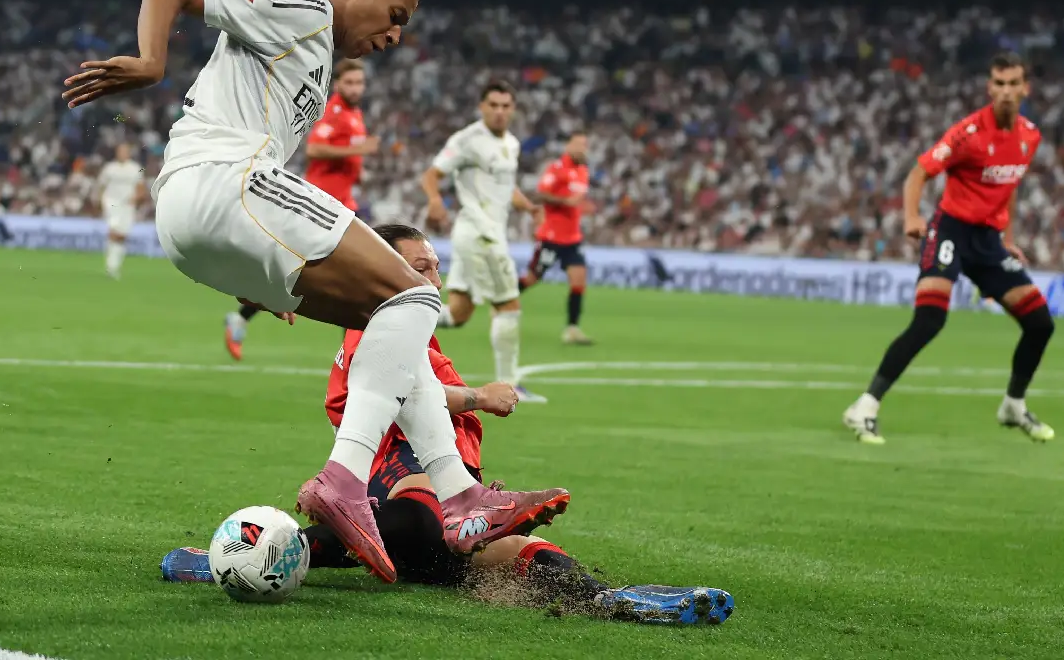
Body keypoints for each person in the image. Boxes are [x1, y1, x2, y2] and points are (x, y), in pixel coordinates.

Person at [61, 0, 565, 585]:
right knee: (414, 295)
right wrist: (152, 62)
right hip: (220, 180)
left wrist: (264, 262)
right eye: (395, 14)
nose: (394, 35)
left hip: (203, 217)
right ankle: (347, 481)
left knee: (391, 315)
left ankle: (460, 499)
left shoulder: (317, 60)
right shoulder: (302, 7)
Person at [160, 224, 735, 627]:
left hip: (428, 520)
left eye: (435, 262)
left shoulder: (412, 332)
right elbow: (413, 387)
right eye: (419, 265)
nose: (434, 271)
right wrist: (480, 396)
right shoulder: (378, 329)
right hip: (398, 481)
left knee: (519, 551)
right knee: (423, 513)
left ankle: (616, 600)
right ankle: (241, 559)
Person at [844, 52, 1056, 445]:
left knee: (1040, 323)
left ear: (1026, 88)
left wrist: (1007, 239)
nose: (1007, 91)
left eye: (1014, 84)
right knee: (929, 321)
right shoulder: (968, 134)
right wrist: (912, 217)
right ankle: (865, 406)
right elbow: (918, 173)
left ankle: (1013, 405)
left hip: (988, 242)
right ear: (989, 87)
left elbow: (1008, 187)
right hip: (950, 232)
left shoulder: (1030, 135)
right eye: (999, 83)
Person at [224, 59, 379, 361]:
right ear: (338, 84)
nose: (355, 88)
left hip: (344, 205)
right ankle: (351, 355)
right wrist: (356, 151)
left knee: (343, 278)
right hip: (321, 204)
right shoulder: (333, 111)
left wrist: (355, 168)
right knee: (303, 272)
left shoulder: (354, 114)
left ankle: (351, 354)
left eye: (360, 83)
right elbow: (315, 149)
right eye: (350, 83)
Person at [420, 81, 545, 401]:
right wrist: (435, 200)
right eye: (493, 105)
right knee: (508, 305)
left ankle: (400, 312)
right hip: (481, 233)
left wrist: (528, 206)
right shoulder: (467, 140)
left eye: (506, 106)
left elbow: (506, 188)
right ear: (482, 107)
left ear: (513, 109)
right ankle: (511, 384)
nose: (500, 111)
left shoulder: (512, 144)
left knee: (459, 313)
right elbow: (432, 175)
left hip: (480, 235)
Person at [519, 132, 594, 345]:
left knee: (579, 281)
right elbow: (542, 193)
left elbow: (577, 200)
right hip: (551, 237)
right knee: (532, 279)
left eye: (585, 144)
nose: (582, 148)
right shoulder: (557, 168)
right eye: (578, 144)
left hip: (572, 238)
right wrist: (564, 201)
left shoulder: (583, 171)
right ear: (568, 146)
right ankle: (503, 303)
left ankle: (572, 329)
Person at [96, 142, 145, 280]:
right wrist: (101, 201)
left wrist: (136, 198)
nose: (122, 153)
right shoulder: (109, 168)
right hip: (111, 202)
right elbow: (101, 185)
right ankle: (111, 267)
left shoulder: (136, 168)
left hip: (127, 204)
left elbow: (141, 187)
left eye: (125, 151)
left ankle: (115, 265)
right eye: (120, 151)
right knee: (114, 231)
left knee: (122, 236)